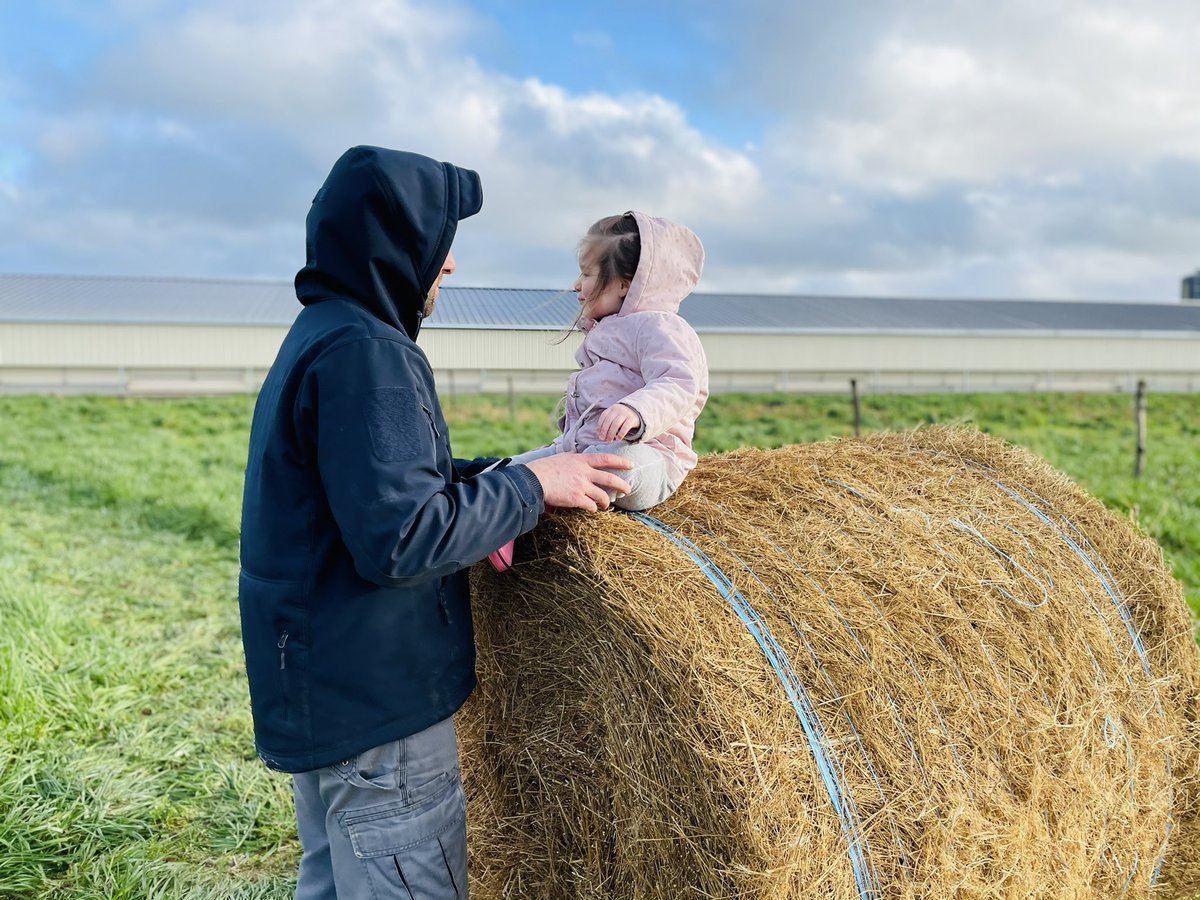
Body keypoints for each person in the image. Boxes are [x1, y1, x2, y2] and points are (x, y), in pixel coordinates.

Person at [237, 146, 631, 900]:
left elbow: (362, 488)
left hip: (327, 686)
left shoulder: (323, 334)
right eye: (439, 240)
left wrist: (488, 473)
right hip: (379, 705)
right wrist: (532, 485)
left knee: (332, 881)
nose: (447, 266)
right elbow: (402, 538)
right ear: (395, 238)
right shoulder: (368, 354)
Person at [488, 211, 709, 571]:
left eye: (587, 274)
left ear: (625, 283)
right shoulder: (603, 330)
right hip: (579, 451)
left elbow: (680, 382)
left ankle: (526, 516)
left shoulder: (662, 327)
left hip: (651, 456)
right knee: (501, 474)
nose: (577, 284)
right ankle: (499, 513)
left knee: (614, 467)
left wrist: (638, 411)